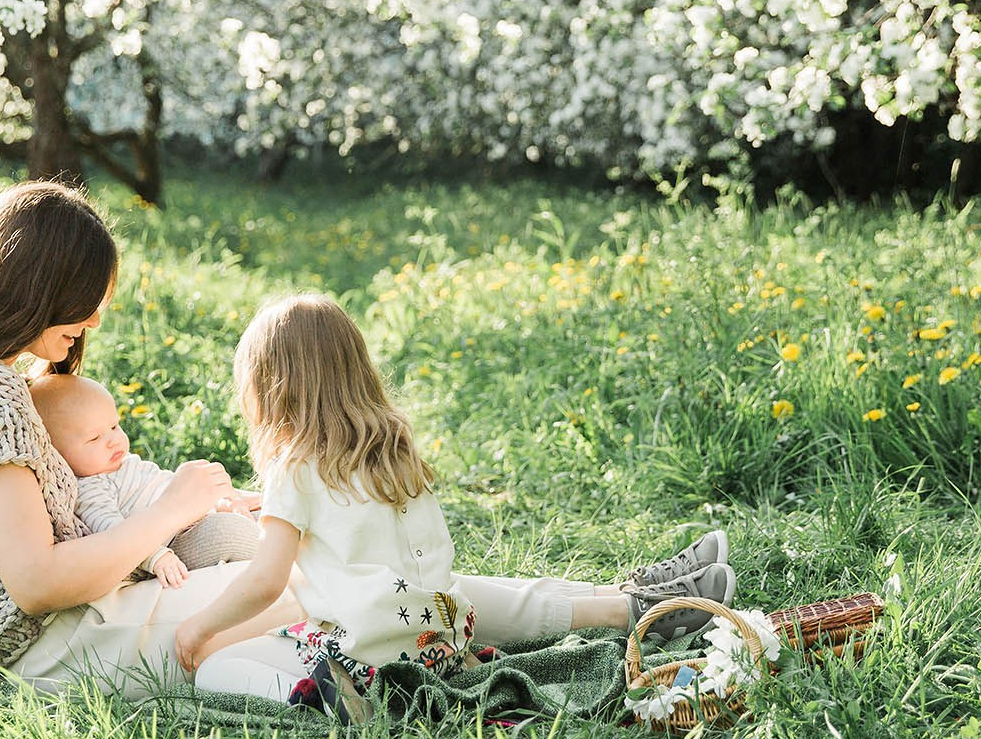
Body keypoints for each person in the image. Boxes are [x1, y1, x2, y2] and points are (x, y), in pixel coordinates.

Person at [174, 293, 734, 712]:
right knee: (471, 588)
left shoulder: (294, 467)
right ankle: (647, 598)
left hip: (365, 660)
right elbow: (351, 519)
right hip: (437, 645)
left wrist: (197, 628)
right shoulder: (389, 445)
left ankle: (325, 700)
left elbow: (266, 581)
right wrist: (273, 507)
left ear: (272, 389)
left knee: (220, 668)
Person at [0, 181, 301, 699]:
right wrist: (171, 511)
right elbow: (37, 583)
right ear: (36, 287)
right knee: (315, 582)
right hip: (59, 647)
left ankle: (282, 666)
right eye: (83, 299)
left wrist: (197, 505)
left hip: (74, 627)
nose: (93, 319)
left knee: (287, 567)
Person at [30, 373, 262, 588]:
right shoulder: (91, 488)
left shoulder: (124, 462)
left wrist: (221, 501)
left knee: (262, 512)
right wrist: (156, 557)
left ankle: (269, 544)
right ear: (58, 455)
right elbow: (112, 533)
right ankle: (272, 562)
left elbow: (167, 486)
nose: (113, 440)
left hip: (193, 518)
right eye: (94, 438)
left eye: (114, 426)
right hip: (172, 544)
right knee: (229, 532)